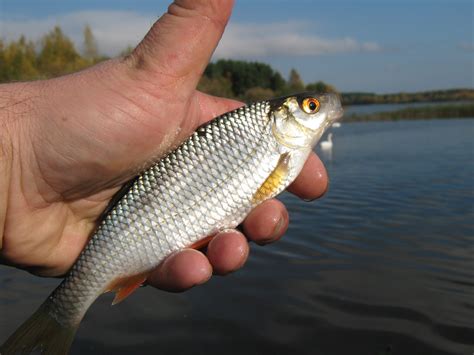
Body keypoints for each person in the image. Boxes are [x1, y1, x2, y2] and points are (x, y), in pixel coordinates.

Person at [0, 0, 328, 292]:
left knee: (215, 252)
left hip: (106, 231)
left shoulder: (275, 143)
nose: (321, 106)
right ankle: (71, 304)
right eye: (311, 106)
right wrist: (18, 159)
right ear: (280, 118)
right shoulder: (274, 142)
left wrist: (18, 164)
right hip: (114, 230)